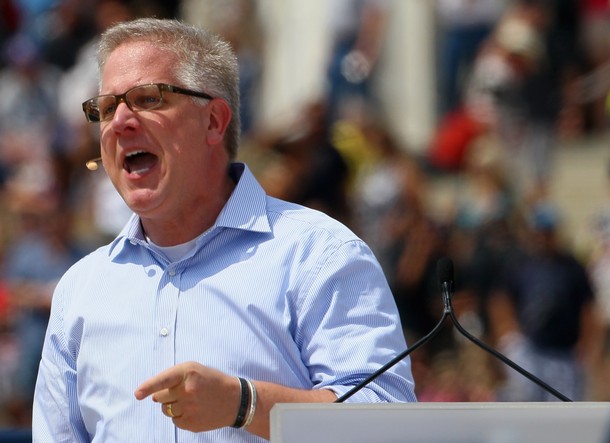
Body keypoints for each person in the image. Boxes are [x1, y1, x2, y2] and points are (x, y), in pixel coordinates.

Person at [32, 18, 417, 442]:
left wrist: (245, 404)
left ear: (214, 121)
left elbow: (388, 425)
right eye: (106, 109)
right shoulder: (80, 290)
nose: (119, 121)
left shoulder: (318, 254)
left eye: (148, 99)